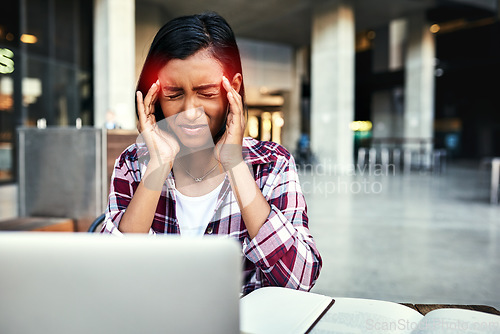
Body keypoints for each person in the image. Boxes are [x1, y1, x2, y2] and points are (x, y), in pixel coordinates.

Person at [101, 12, 321, 295]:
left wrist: (235, 164)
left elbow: (300, 279)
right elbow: (109, 274)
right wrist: (158, 165)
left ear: (234, 88)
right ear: (154, 96)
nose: (190, 112)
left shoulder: (272, 164)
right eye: (174, 94)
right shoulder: (133, 164)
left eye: (206, 92)